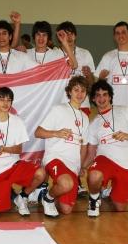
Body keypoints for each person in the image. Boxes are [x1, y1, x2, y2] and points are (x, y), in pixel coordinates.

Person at [0, 87, 49, 216]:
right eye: (2, 99)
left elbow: (19, 149)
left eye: (9, 100)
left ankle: (22, 196)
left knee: (40, 173)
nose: (6, 103)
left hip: (12, 166)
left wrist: (5, 149)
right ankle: (8, 192)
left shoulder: (17, 121)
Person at [83, 80, 128, 217]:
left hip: (126, 164)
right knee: (94, 175)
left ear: (110, 96)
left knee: (120, 207)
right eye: (98, 95)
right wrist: (81, 167)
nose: (101, 98)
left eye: (105, 94)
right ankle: (94, 199)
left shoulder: (124, 111)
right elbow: (91, 152)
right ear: (93, 99)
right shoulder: (93, 124)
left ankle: (109, 190)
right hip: (105, 159)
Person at [34, 76, 89, 216]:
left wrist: (81, 166)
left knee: (66, 209)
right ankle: (48, 198)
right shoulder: (58, 109)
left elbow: (83, 146)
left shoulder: (85, 117)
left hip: (72, 164)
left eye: (83, 90)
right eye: (76, 90)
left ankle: (50, 192)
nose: (79, 94)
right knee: (66, 184)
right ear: (69, 92)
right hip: (55, 157)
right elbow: (38, 132)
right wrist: (56, 133)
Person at [55, 21, 95, 115]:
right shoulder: (54, 55)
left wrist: (89, 75)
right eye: (65, 34)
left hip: (82, 105)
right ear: (59, 36)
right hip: (61, 103)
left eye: (71, 34)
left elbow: (91, 83)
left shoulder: (85, 54)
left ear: (75, 36)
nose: (68, 37)